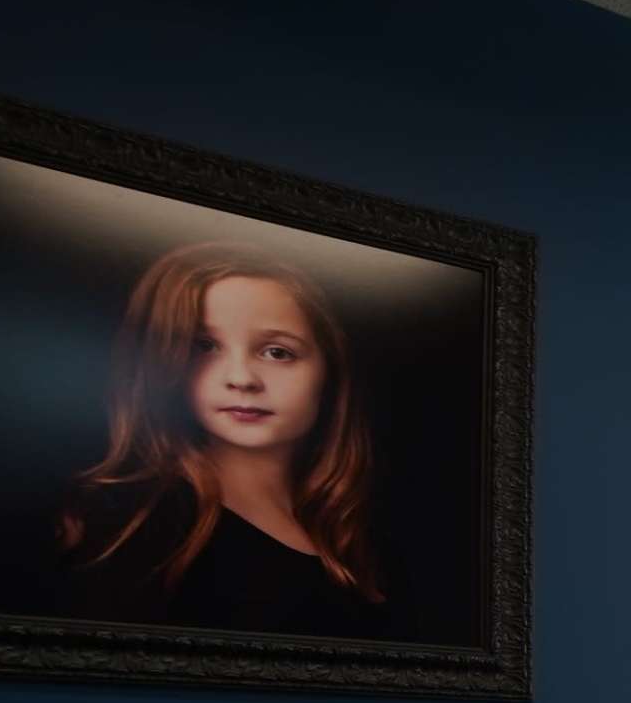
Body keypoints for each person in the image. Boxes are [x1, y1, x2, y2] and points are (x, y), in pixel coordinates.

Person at [57, 242, 393, 634]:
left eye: (277, 352)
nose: (242, 379)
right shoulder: (124, 522)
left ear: (329, 369)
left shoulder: (363, 531)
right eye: (205, 346)